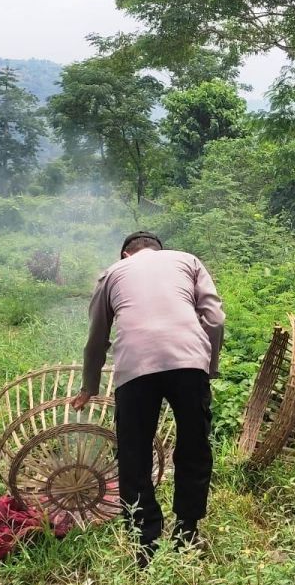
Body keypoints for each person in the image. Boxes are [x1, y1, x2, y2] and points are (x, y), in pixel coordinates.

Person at [70, 231, 225, 562]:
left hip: (134, 368)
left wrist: (89, 386)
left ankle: (146, 544)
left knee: (134, 454)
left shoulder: (112, 273)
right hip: (189, 362)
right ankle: (186, 532)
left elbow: (96, 337)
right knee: (194, 447)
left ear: (126, 253)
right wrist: (208, 367)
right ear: (159, 250)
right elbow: (214, 318)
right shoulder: (187, 260)